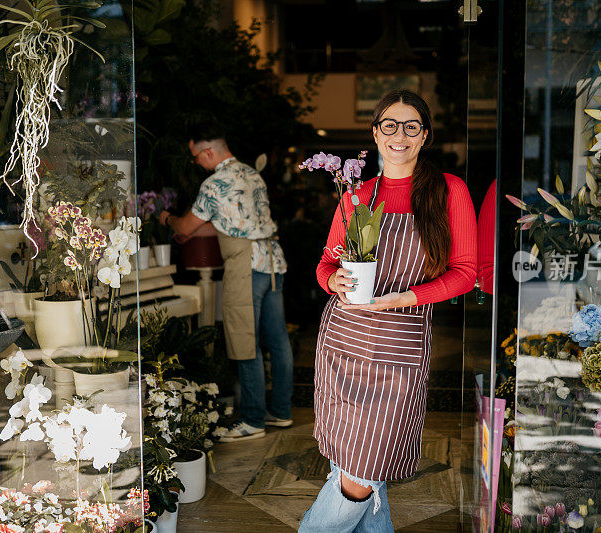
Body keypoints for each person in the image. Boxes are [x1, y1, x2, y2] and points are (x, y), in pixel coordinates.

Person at [298, 90, 477, 532]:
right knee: (356, 466)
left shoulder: (448, 191)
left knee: (361, 472)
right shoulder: (356, 195)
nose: (400, 135)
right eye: (390, 125)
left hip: (399, 349)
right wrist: (332, 280)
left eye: (411, 126)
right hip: (345, 344)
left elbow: (465, 272)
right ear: (375, 133)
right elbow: (326, 262)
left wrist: (407, 297)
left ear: (425, 136)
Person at [158, 123, 294, 442]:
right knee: (277, 340)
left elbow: (187, 224)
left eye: (195, 157)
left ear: (208, 151)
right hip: (273, 261)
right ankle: (281, 412)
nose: (196, 163)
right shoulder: (251, 174)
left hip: (245, 266)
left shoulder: (214, 184)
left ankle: (252, 419)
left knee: (244, 340)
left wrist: (166, 219)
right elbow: (230, 224)